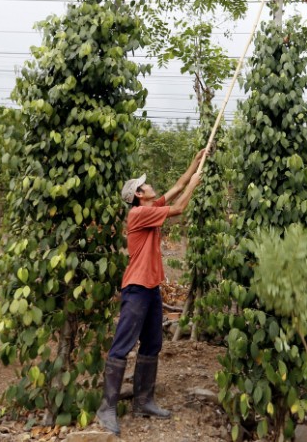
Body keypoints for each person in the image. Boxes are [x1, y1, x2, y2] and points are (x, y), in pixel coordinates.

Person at [96, 149, 205, 435]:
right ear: (138, 195)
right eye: (144, 185)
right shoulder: (139, 214)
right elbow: (180, 207)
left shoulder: (149, 207)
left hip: (152, 288)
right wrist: (195, 184)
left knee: (153, 344)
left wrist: (193, 165)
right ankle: (106, 407)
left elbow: (175, 189)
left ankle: (143, 401)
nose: (150, 185)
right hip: (136, 288)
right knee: (122, 345)